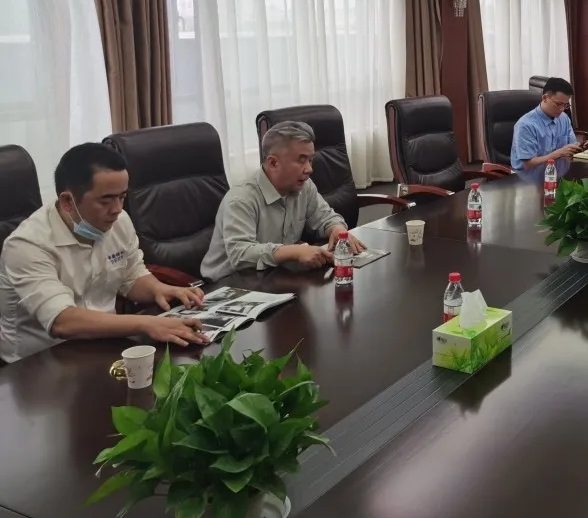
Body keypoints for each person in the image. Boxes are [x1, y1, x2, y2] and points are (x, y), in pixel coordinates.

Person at [0, 143, 208, 363]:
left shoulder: (118, 221)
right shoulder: (26, 245)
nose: (117, 209)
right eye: (106, 200)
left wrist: (158, 289)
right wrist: (147, 323)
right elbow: (62, 321)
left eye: (122, 197)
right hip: (39, 362)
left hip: (105, 344)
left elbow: (130, 275)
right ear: (68, 201)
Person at [201, 121, 365, 282]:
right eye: (301, 160)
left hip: (272, 276)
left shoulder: (304, 186)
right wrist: (295, 252)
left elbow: (325, 217)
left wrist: (336, 229)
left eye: (310, 160)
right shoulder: (241, 199)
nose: (309, 169)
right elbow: (241, 254)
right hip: (227, 284)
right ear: (273, 163)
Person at [510, 77, 581, 171]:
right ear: (545, 98)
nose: (562, 109)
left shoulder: (564, 118)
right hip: (528, 175)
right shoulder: (525, 125)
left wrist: (575, 148)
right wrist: (559, 153)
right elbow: (528, 164)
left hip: (557, 171)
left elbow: (571, 146)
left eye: (565, 105)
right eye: (558, 104)